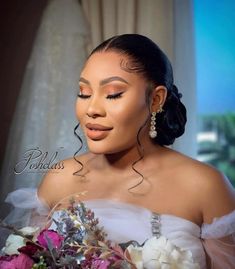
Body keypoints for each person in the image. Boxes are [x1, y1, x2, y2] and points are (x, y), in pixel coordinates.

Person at [4, 34, 235, 268]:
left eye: (113, 94)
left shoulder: (204, 186)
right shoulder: (59, 179)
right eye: (84, 93)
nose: (92, 109)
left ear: (156, 100)